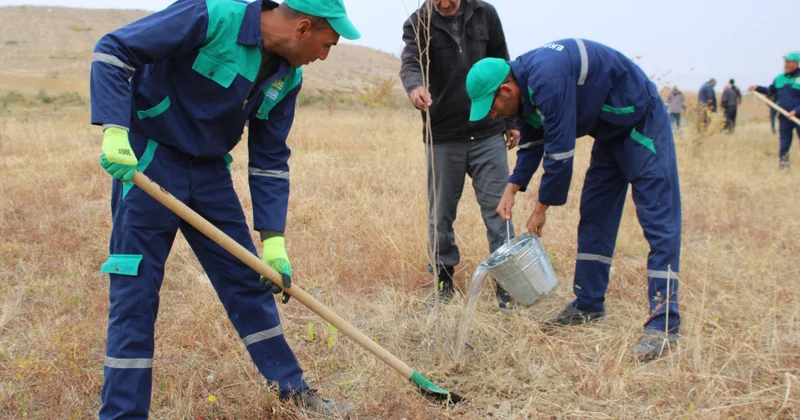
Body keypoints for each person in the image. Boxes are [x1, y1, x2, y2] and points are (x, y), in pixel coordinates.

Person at [90, 0, 360, 417]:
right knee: (136, 293)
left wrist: (273, 241)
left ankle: (294, 395)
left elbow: (270, 159)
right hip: (149, 163)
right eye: (327, 45)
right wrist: (114, 128)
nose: (323, 56)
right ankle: (122, 414)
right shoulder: (212, 16)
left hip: (211, 174)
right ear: (303, 28)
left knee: (249, 284)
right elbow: (114, 50)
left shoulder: (288, 78)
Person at [467, 38, 682, 362]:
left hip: (640, 121)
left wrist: (540, 210)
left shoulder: (547, 79)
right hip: (609, 133)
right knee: (595, 215)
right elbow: (532, 142)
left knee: (658, 219)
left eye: (492, 107)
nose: (494, 115)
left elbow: (560, 152)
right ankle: (588, 305)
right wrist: (512, 188)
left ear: (506, 90)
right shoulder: (524, 88)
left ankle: (663, 326)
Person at [400, 0, 521, 312]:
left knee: (500, 213)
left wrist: (510, 121)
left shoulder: (486, 14)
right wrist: (414, 87)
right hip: (443, 134)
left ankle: (507, 290)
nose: (444, 3)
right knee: (440, 215)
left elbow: (503, 66)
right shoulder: (417, 21)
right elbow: (410, 64)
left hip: (488, 132)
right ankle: (443, 285)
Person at [750, 52, 800, 168]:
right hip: (784, 116)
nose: (786, 64)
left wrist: (796, 111)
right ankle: (783, 169)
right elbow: (770, 91)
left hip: (797, 116)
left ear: (796, 64)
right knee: (784, 145)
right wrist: (757, 88)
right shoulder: (779, 78)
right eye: (785, 62)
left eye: (789, 62)